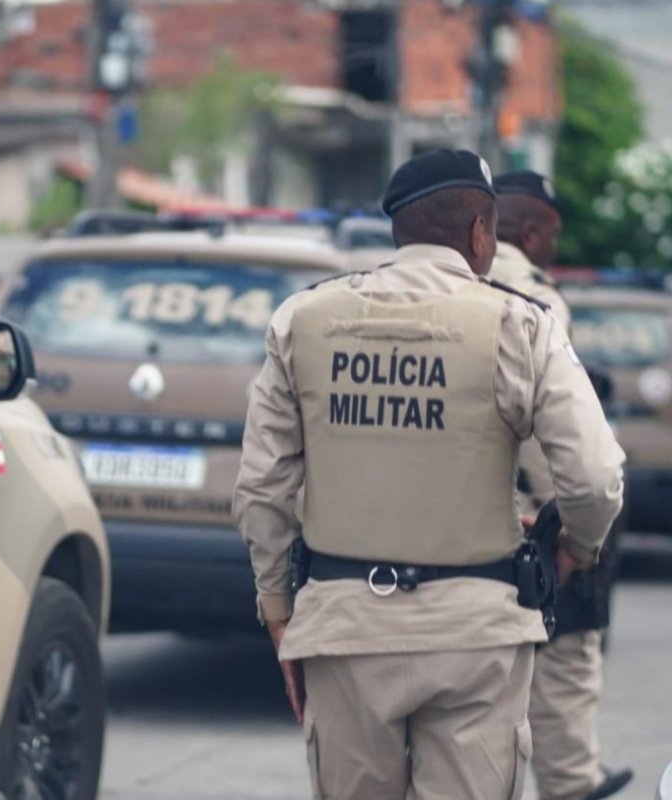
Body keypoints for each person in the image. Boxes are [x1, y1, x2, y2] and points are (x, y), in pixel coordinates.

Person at [234, 149, 625, 800]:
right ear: (480, 233)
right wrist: (576, 549)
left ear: (399, 230)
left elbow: (261, 489)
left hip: (346, 628)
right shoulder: (520, 324)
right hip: (477, 637)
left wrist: (278, 609)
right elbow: (594, 476)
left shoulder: (303, 321)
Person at [491, 171, 633, 800]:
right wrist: (572, 532)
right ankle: (575, 782)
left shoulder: (436, 284)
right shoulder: (536, 298)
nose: (553, 248)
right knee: (566, 655)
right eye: (551, 235)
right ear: (530, 232)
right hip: (529, 514)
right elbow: (557, 438)